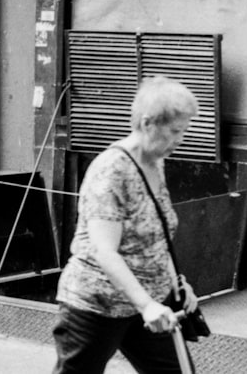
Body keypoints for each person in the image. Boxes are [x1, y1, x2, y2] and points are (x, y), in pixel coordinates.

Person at [53, 75, 200, 373]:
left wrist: (177, 284)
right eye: (174, 131)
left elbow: (158, 234)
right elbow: (104, 251)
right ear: (148, 124)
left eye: (183, 131)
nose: (180, 140)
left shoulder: (156, 161)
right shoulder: (111, 170)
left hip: (149, 302)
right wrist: (146, 305)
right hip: (97, 305)